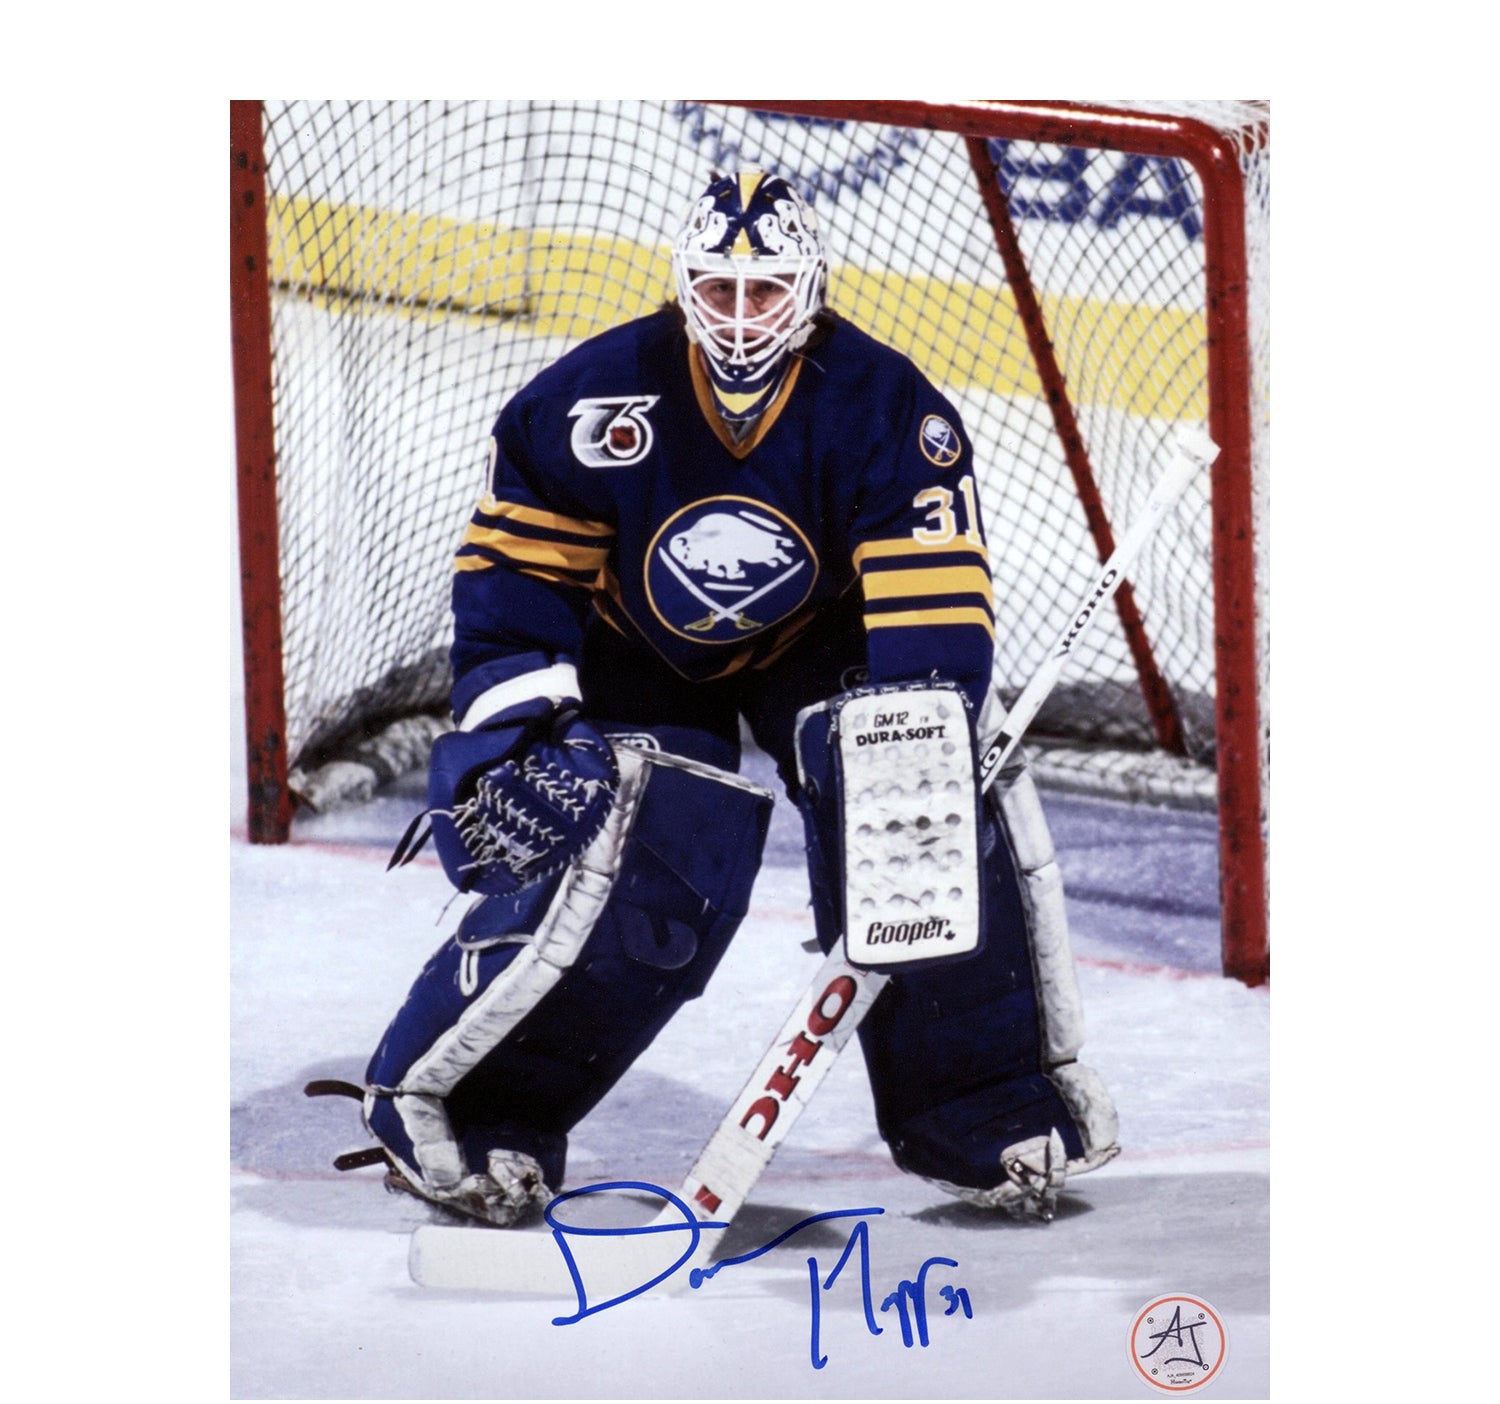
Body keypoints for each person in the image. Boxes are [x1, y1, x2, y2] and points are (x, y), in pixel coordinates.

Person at [359, 171, 1119, 1228]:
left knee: (926, 810)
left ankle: (986, 1105)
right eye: (719, 289)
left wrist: (923, 739)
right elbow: (516, 582)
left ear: (811, 290)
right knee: (643, 851)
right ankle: (471, 1105)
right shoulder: (588, 398)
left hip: (816, 645)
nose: (741, 315)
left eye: (765, 292)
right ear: (685, 286)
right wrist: (523, 721)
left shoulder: (887, 405)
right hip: (632, 649)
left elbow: (932, 602)